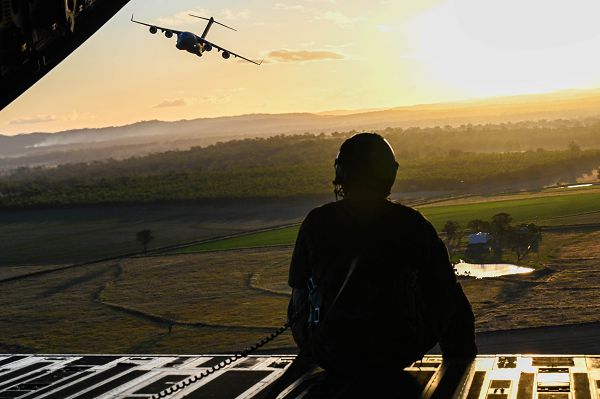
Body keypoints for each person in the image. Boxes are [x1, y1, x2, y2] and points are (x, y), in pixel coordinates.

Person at [285, 132, 477, 397]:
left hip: (331, 354)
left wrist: (311, 346)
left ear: (343, 174)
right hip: (395, 352)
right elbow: (445, 292)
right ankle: (460, 361)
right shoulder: (412, 224)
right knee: (450, 291)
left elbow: (299, 294)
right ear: (388, 174)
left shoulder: (316, 223)